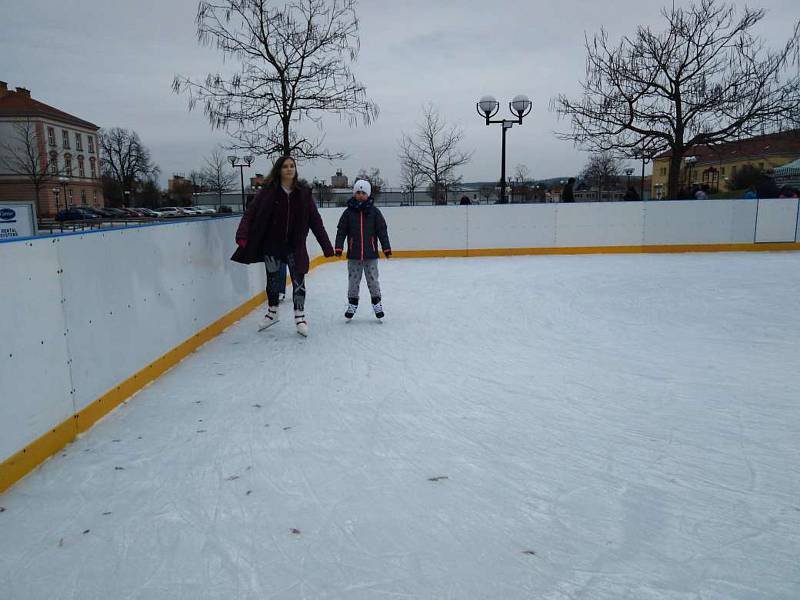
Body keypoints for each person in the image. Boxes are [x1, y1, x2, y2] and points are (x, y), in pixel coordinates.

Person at [231, 156, 334, 337]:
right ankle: (272, 312)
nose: (289, 169)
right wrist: (242, 235)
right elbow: (250, 214)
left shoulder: (304, 193)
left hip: (295, 246)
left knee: (298, 282)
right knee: (273, 281)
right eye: (285, 166)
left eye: (292, 166)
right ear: (279, 170)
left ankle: (299, 317)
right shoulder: (267, 193)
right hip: (273, 246)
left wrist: (326, 246)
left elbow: (316, 222)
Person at [334, 180, 392, 321]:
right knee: (353, 281)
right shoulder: (348, 213)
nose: (360, 195)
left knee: (373, 280)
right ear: (354, 194)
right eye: (358, 193)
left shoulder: (375, 212)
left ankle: (377, 304)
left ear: (368, 194)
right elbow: (341, 231)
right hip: (354, 255)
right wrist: (339, 247)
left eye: (363, 193)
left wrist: (386, 248)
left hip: (370, 254)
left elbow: (382, 231)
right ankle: (352, 304)